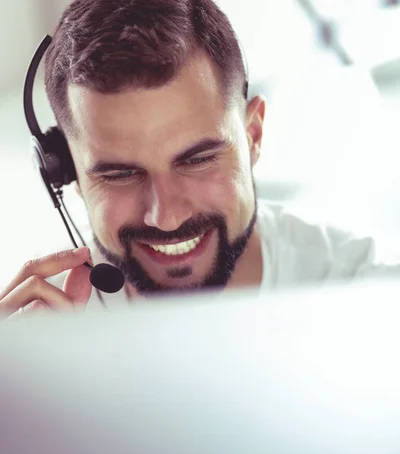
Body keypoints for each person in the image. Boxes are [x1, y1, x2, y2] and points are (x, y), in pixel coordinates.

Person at [0, 0, 399, 317]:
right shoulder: (43, 332)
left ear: (253, 135)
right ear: (66, 173)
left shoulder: (369, 299)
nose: (167, 216)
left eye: (197, 160)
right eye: (121, 174)